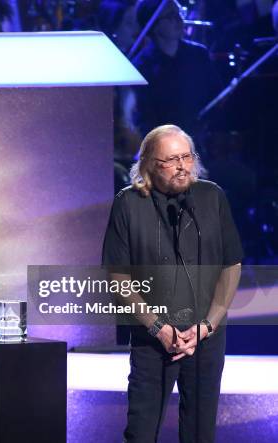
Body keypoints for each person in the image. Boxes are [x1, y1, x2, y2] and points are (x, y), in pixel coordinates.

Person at [102, 124, 242, 442]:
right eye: (171, 160)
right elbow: (117, 276)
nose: (182, 166)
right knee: (141, 431)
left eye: (186, 157)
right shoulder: (128, 203)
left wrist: (207, 325)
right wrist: (158, 328)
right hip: (153, 340)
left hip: (204, 338)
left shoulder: (212, 196)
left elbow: (231, 264)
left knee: (199, 433)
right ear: (151, 164)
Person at [132, 0, 221, 137]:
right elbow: (143, 117)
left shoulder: (198, 54)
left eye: (179, 13)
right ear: (153, 26)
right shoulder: (142, 66)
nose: (179, 19)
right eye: (170, 16)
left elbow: (215, 95)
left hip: (200, 139)